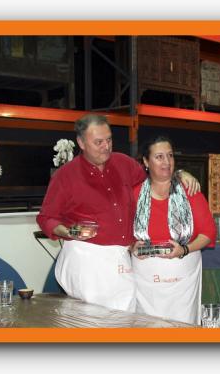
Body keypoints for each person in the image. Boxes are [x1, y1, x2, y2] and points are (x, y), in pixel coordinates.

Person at [36, 114, 200, 312]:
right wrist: (68, 232)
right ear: (81, 142)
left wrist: (179, 174)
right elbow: (46, 217)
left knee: (125, 316)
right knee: (93, 320)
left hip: (122, 257)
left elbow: (154, 182)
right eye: (98, 142)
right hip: (86, 258)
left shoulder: (124, 163)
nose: (106, 146)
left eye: (109, 140)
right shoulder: (66, 175)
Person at [129, 135, 216, 324]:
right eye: (159, 157)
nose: (167, 162)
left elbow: (208, 233)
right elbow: (123, 233)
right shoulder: (134, 194)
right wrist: (131, 247)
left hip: (183, 282)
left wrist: (184, 249)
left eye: (170, 155)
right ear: (146, 161)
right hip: (145, 283)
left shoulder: (190, 190)